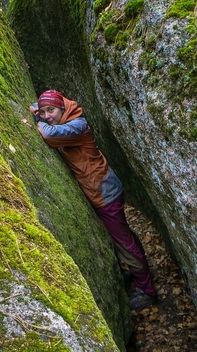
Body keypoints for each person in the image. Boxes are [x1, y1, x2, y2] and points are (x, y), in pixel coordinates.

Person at [30, 89, 156, 311]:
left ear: (62, 108)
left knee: (123, 242)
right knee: (123, 235)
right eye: (44, 111)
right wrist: (39, 109)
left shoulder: (77, 125)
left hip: (104, 192)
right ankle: (136, 270)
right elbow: (35, 106)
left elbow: (49, 135)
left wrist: (38, 117)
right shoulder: (65, 113)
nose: (47, 115)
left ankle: (146, 291)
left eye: (51, 110)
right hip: (104, 185)